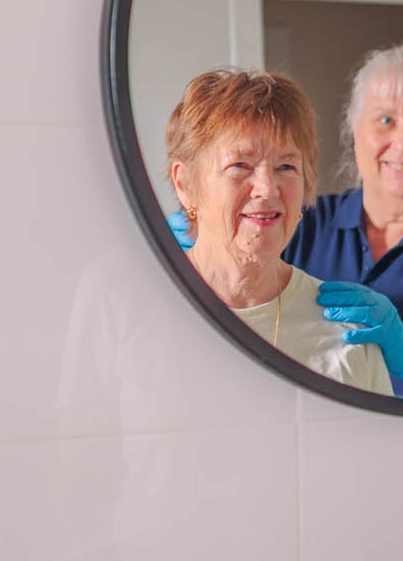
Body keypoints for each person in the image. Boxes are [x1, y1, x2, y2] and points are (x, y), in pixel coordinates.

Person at [165, 70, 391, 395]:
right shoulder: (128, 303)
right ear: (185, 184)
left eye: (286, 167)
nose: (267, 189)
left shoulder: (349, 331)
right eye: (239, 165)